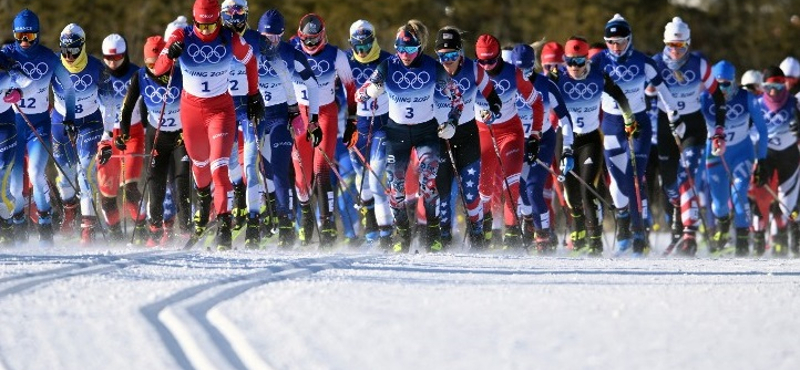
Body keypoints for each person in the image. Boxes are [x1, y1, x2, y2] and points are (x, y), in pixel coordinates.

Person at [154, 0, 264, 250]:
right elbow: (159, 69)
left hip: (220, 111)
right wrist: (170, 54)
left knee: (219, 168)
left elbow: (250, 62)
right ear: (195, 21)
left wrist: (253, 95)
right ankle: (203, 200)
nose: (205, 31)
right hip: (191, 111)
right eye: (201, 26)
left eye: (211, 25)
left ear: (218, 20)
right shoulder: (182, 35)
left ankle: (224, 224)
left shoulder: (229, 38)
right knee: (201, 169)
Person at [354, 19, 461, 252]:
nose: (405, 55)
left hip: (426, 132)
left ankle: (432, 233)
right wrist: (367, 93)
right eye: (401, 49)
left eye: (411, 50)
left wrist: (452, 122)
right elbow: (361, 93)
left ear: (419, 48)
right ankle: (402, 235)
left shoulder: (432, 67)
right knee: (396, 186)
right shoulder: (387, 66)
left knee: (428, 181)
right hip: (397, 132)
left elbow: (457, 96)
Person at [592, 13, 685, 255]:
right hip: (612, 125)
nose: (616, 47)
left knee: (635, 178)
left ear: (629, 40)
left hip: (639, 125)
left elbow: (665, 92)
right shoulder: (599, 61)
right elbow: (581, 85)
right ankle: (623, 226)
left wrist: (675, 117)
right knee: (619, 181)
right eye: (611, 42)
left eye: (620, 41)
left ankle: (639, 235)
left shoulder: (643, 61)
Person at [541, 37, 635, 255]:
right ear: (564, 61)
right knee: (570, 194)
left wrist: (629, 118)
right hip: (564, 140)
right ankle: (579, 235)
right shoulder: (557, 78)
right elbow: (536, 97)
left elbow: (619, 95)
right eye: (570, 62)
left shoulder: (597, 76)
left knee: (588, 189)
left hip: (590, 140)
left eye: (580, 62)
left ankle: (595, 241)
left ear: (587, 60)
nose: (575, 67)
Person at [221, 0, 297, 248]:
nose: (234, 17)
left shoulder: (257, 39)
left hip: (250, 110)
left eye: (239, 11)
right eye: (229, 12)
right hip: (221, 110)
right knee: (227, 164)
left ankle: (254, 221)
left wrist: (293, 106)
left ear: (246, 14)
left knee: (252, 164)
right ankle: (238, 204)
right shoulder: (214, 39)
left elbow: (283, 72)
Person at [652, 17, 727, 255]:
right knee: (670, 186)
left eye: (681, 46)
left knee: (687, 179)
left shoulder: (699, 65)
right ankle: (678, 218)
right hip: (666, 126)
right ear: (665, 43)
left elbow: (718, 97)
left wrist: (719, 130)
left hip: (694, 126)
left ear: (688, 44)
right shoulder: (656, 64)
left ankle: (689, 235)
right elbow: (643, 94)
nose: (675, 51)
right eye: (671, 46)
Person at [1, 8, 75, 244]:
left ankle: (45, 221)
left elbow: (69, 88)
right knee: (14, 183)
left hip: (39, 125)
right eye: (20, 36)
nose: (24, 42)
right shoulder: (8, 53)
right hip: (14, 125)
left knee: (35, 174)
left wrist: (70, 117)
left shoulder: (50, 58)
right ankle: (19, 223)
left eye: (30, 37)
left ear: (38, 35)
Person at [432, 26, 502, 249]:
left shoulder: (473, 69)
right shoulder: (432, 72)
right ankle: (443, 235)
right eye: (443, 56)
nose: (447, 61)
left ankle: (477, 232)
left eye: (452, 55)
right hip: (440, 137)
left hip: (467, 134)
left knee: (470, 191)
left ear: (460, 53)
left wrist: (493, 111)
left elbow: (493, 97)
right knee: (442, 191)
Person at [118, 35, 191, 247]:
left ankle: (186, 230)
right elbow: (127, 107)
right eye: (150, 64)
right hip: (157, 136)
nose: (154, 69)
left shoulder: (180, 72)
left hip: (180, 136)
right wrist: (123, 133)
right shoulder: (140, 76)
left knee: (181, 181)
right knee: (155, 183)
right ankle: (156, 229)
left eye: (158, 63)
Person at [256, 8, 320, 247]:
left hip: (281, 116)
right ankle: (266, 211)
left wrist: (312, 119)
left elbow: (312, 85)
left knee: (282, 169)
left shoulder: (290, 54)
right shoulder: (251, 50)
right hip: (257, 116)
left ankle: (285, 225)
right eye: (265, 36)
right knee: (263, 170)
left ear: (282, 35)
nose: (270, 41)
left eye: (275, 37)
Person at [472, 34, 538, 249]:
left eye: (491, 61)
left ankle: (511, 234)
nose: (487, 66)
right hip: (483, 133)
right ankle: (485, 229)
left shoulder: (514, 73)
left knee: (511, 184)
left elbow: (536, 103)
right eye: (482, 61)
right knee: (484, 189)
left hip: (510, 132)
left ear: (499, 56)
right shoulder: (472, 72)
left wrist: (535, 134)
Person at [293, 13, 353, 245]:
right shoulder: (292, 52)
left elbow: (350, 87)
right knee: (301, 174)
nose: (309, 45)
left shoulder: (336, 55)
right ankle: (307, 217)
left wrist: (353, 120)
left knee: (321, 168)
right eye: (305, 40)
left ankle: (327, 224)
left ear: (323, 35)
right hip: (300, 114)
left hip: (326, 113)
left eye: (314, 40)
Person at [702, 60, 767, 256]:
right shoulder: (704, 98)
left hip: (741, 152)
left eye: (726, 84)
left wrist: (761, 160)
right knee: (719, 203)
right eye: (717, 84)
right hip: (714, 154)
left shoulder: (746, 98)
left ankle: (742, 238)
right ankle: (722, 226)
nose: (722, 89)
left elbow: (763, 131)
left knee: (739, 194)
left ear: (734, 82)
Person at [50, 23, 106, 245]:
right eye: (65, 50)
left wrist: (109, 135)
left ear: (82, 47)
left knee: (84, 173)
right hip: (60, 122)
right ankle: (69, 210)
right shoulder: (54, 63)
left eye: (73, 50)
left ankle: (87, 229)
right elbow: (32, 83)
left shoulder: (96, 67)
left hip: (90, 123)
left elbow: (109, 102)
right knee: (64, 178)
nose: (69, 56)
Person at [344, 19, 393, 247]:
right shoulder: (345, 60)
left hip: (382, 126)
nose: (362, 51)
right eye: (358, 47)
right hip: (358, 127)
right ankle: (371, 228)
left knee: (375, 180)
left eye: (366, 46)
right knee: (361, 183)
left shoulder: (386, 60)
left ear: (373, 41)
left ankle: (386, 233)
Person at [96, 33, 148, 242]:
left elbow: (149, 102)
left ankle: (143, 228)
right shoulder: (99, 75)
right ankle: (115, 231)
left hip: (133, 133)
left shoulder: (137, 73)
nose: (112, 63)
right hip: (107, 137)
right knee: (108, 195)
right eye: (108, 58)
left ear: (125, 55)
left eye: (117, 58)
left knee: (130, 188)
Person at [751, 66, 800, 257]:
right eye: (769, 87)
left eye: (779, 87)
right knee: (760, 196)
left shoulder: (794, 102)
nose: (774, 92)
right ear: (763, 87)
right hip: (765, 155)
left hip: (789, 155)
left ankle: (795, 242)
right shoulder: (755, 104)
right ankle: (756, 242)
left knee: (788, 204)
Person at [0, 62, 31, 245]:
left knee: (2, 177)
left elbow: (28, 83)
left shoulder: (5, 75)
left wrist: (19, 93)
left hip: (5, 128)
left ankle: (7, 226)